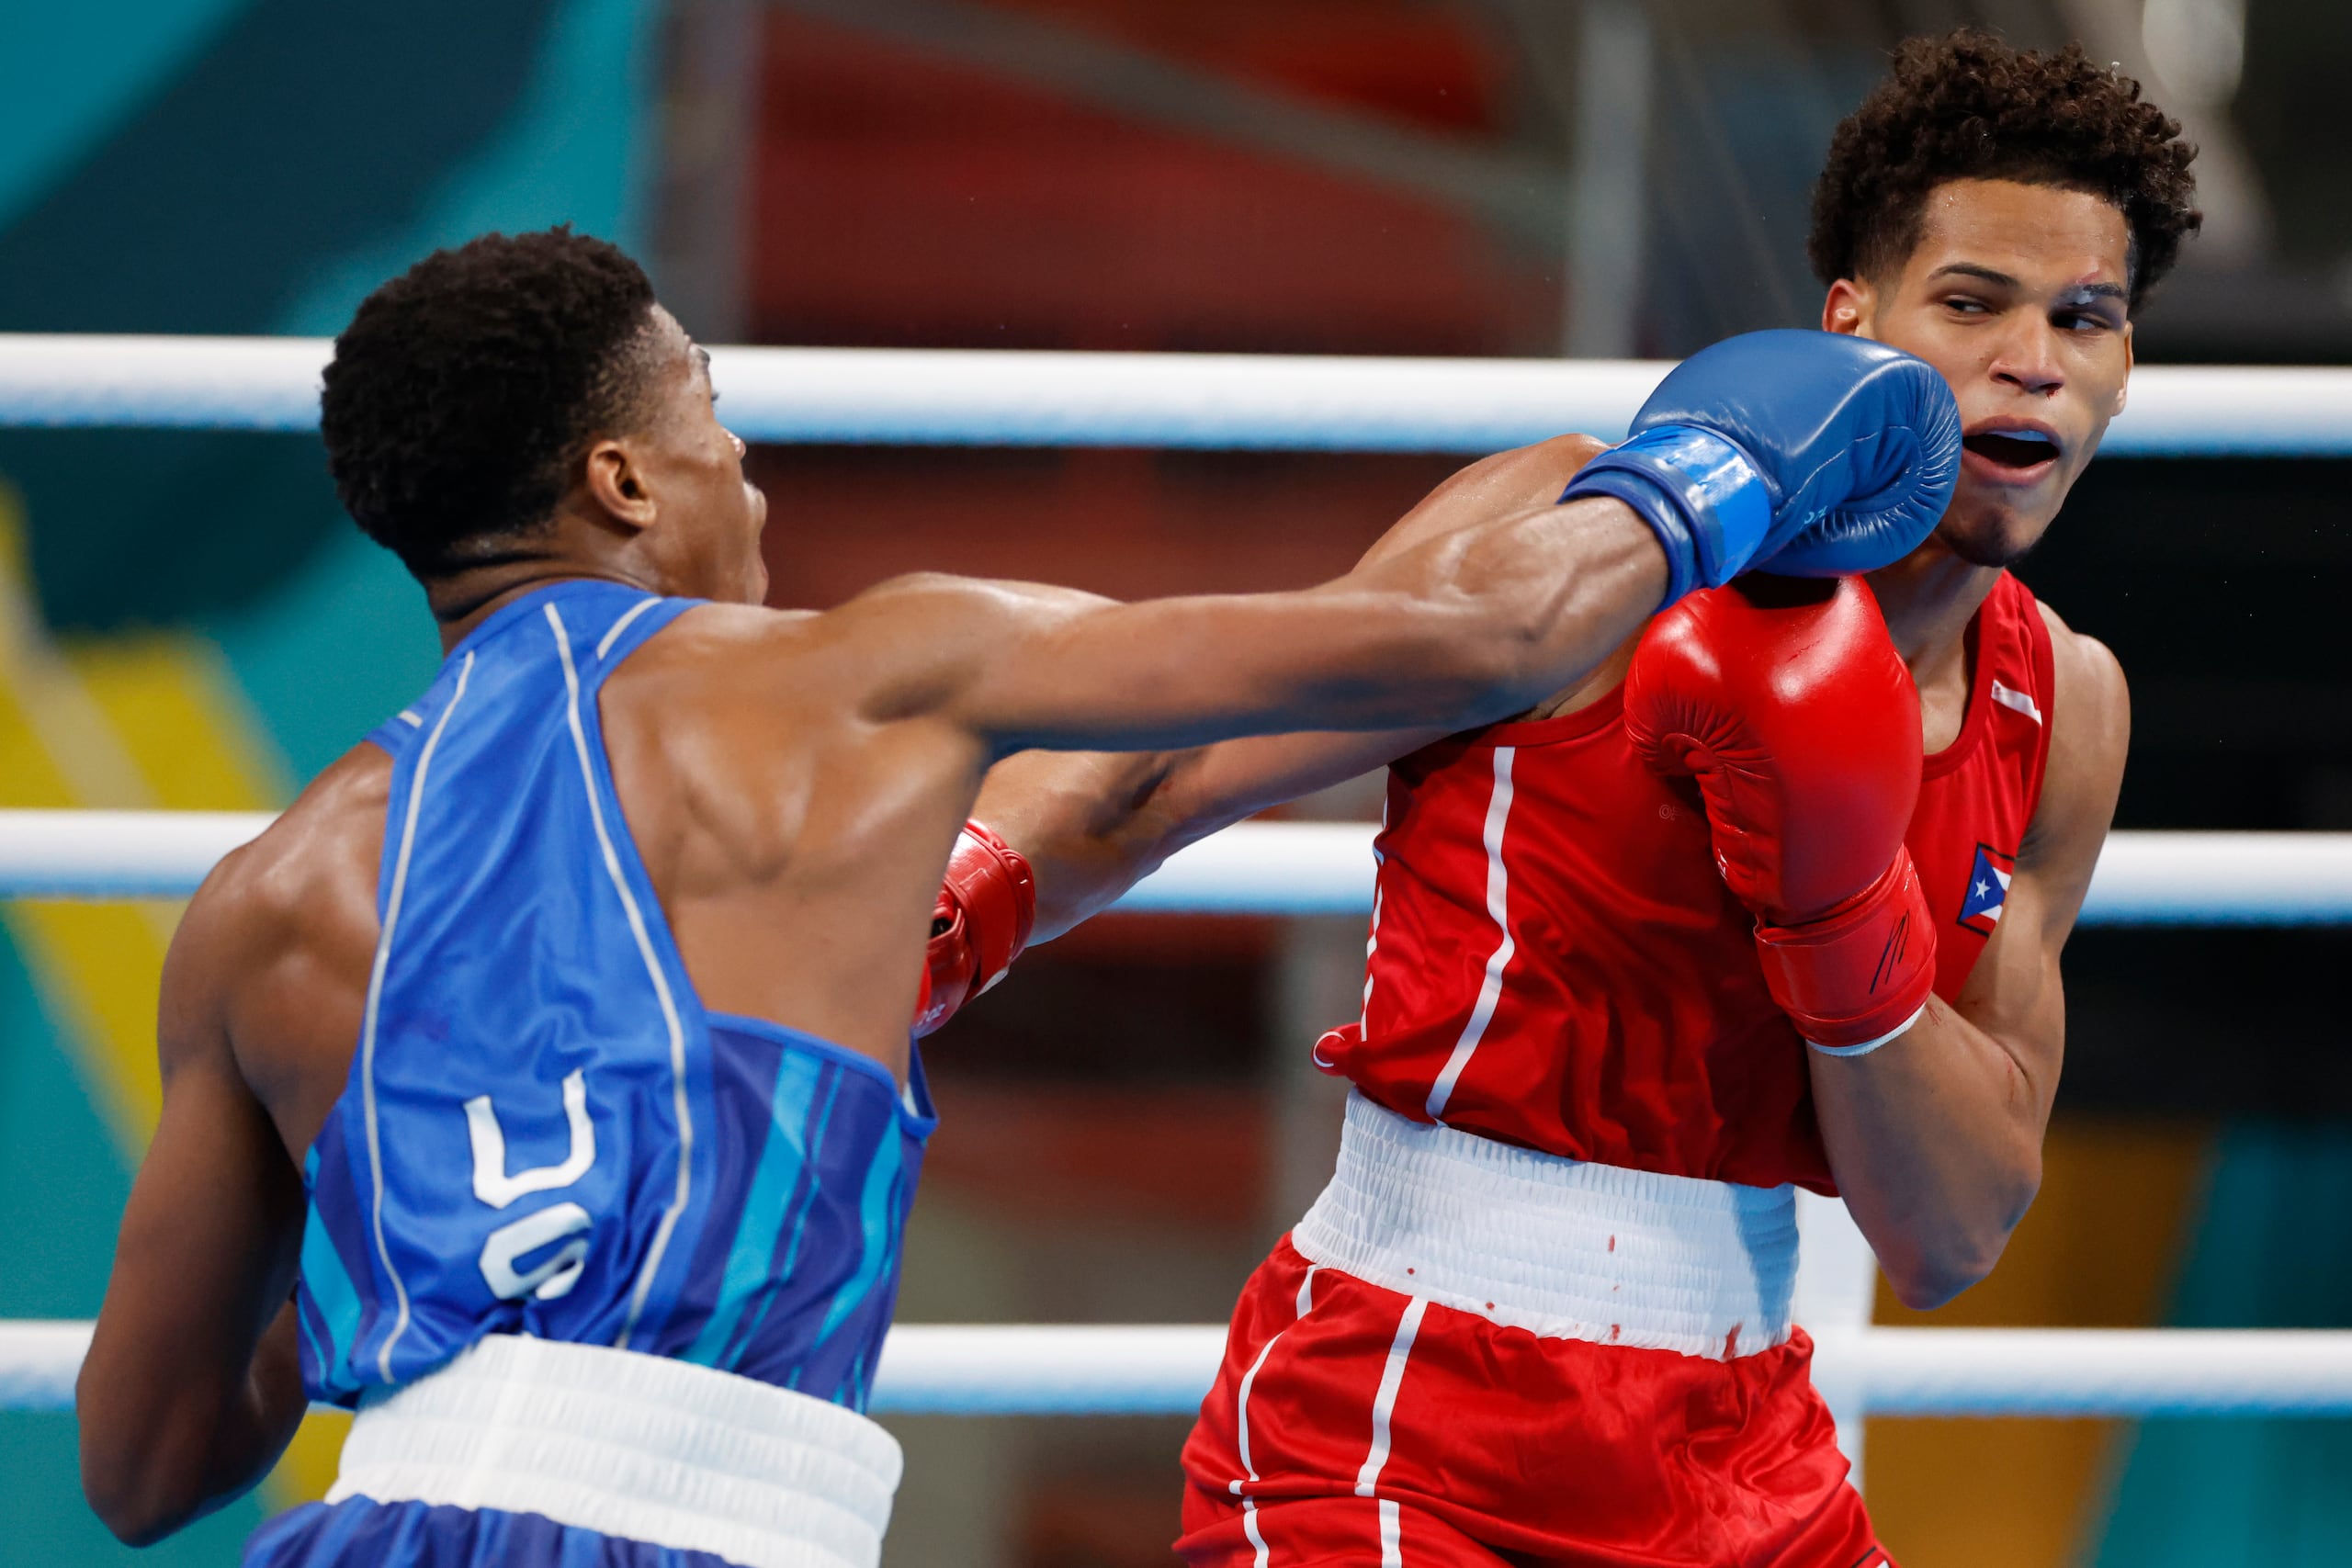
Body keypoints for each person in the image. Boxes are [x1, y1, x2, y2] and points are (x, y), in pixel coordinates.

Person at [71, 226, 1954, 1568]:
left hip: (369, 1514)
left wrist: (436, 1232)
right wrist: (1714, 466)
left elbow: (146, 1461)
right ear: (625, 473)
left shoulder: (262, 899)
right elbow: (1476, 632)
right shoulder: (864, 672)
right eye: (713, 414)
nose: (749, 461)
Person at [958, 31, 2195, 1566]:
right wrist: (918, 936)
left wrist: (1841, 917)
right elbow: (1170, 765)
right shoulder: (1583, 534)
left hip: (1745, 1449)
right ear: (1851, 322)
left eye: (2087, 318)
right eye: (1973, 303)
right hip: (1411, 1406)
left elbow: (1951, 1233)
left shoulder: (2063, 705)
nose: (2036, 359)